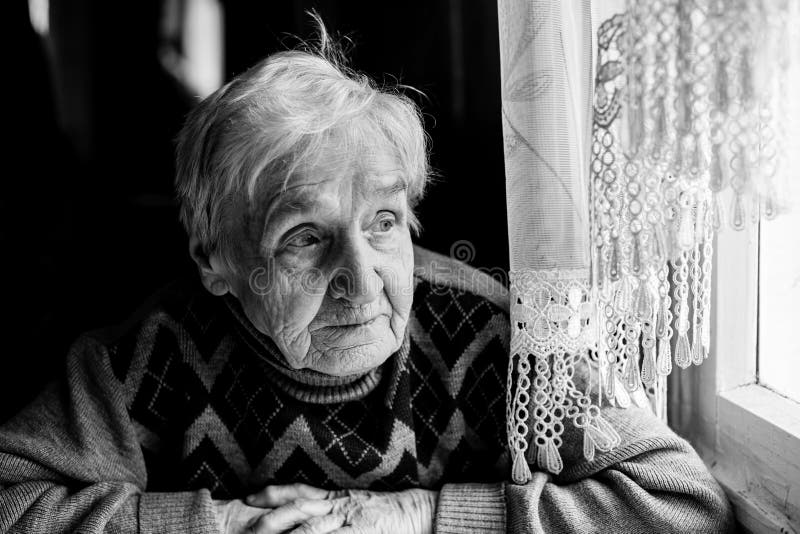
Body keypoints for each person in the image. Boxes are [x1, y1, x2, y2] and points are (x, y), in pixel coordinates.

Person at [0, 21, 734, 534]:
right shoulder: (142, 360)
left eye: (382, 222)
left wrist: (427, 519)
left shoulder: (500, 335)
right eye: (306, 237)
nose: (362, 279)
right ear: (213, 260)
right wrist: (217, 524)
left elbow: (679, 504)